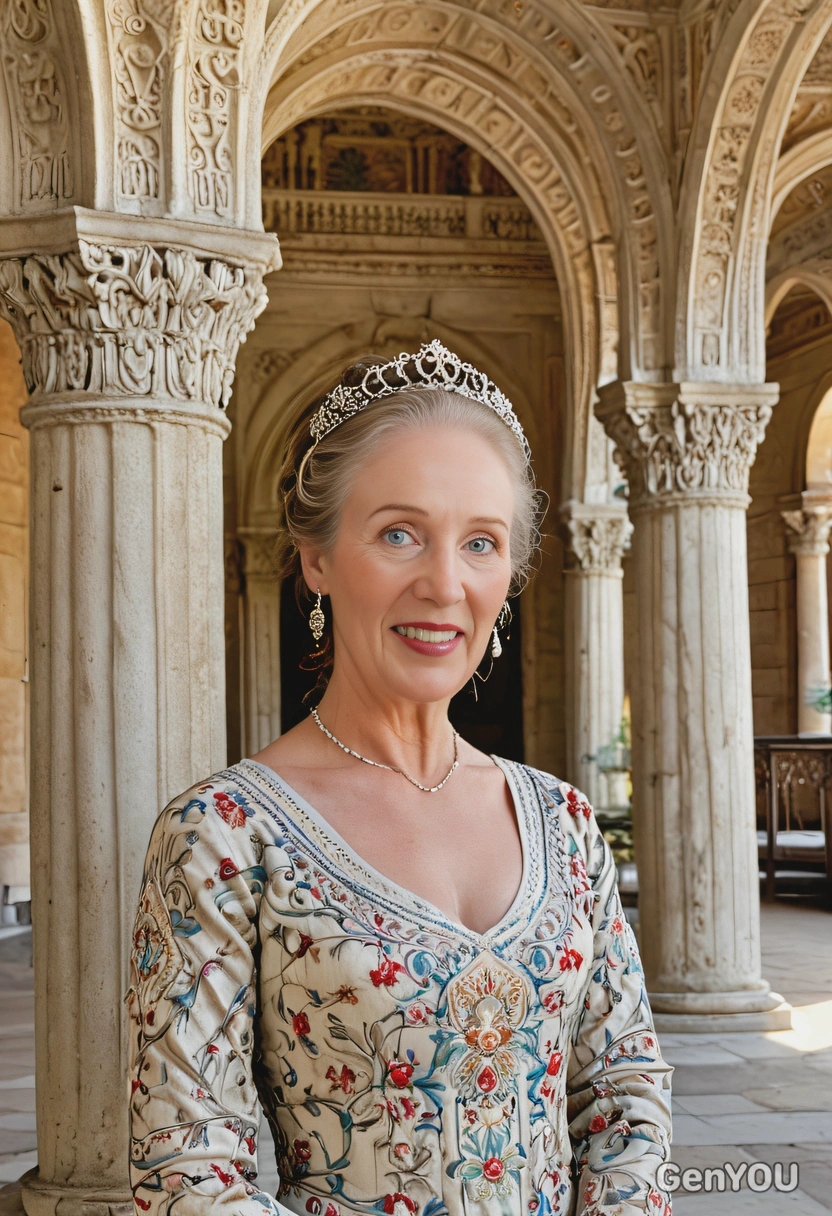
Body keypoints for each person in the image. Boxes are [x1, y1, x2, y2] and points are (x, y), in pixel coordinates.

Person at [127, 340, 673, 1216]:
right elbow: (185, 1169)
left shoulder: (564, 823)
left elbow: (626, 1095)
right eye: (398, 533)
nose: (445, 583)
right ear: (316, 557)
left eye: (482, 543)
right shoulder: (224, 834)